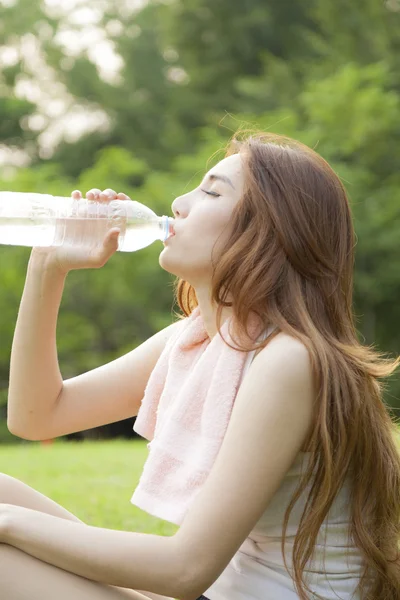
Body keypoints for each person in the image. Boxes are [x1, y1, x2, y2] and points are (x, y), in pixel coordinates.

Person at [2, 131, 400, 600]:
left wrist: (8, 523)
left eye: (211, 192)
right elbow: (36, 416)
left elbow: (185, 570)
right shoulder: (198, 341)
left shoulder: (290, 361)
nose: (178, 202)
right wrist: (47, 268)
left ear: (267, 232)